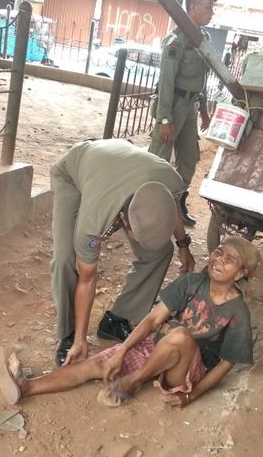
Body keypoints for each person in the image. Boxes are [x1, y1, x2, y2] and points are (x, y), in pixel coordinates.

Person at [0, 236, 263, 407]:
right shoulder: (192, 283)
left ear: (241, 273)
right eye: (218, 252)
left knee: (180, 335)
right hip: (161, 348)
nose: (219, 260)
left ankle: (133, 382)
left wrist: (190, 396)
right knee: (98, 364)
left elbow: (225, 365)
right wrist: (122, 351)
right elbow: (152, 319)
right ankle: (27, 387)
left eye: (230, 260)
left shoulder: (238, 312)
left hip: (186, 368)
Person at [49, 139, 196, 367]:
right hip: (73, 174)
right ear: (124, 221)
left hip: (114, 168)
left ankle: (117, 319)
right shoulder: (96, 221)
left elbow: (171, 204)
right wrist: (80, 339)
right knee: (64, 258)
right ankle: (69, 333)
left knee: (160, 251)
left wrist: (183, 245)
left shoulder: (171, 180)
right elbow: (87, 279)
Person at [149, 0, 220, 228]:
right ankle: (144, 204)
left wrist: (204, 111)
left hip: (189, 107)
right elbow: (166, 81)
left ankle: (176, 204)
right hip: (173, 105)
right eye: (208, 6)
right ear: (192, 7)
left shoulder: (202, 39)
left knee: (188, 160)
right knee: (158, 159)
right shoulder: (175, 40)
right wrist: (164, 118)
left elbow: (201, 79)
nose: (212, 12)